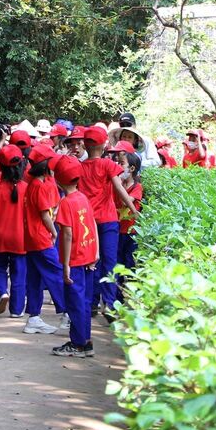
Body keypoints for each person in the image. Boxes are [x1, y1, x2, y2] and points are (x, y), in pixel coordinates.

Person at [80, 126, 137, 319]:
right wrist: (133, 208)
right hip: (108, 221)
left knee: (91, 263)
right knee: (110, 263)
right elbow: (119, 188)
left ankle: (92, 303)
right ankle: (110, 305)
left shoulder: (79, 167)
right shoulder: (107, 165)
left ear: (85, 144)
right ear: (104, 144)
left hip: (87, 223)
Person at [50, 154, 98, 358]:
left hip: (76, 260)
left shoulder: (66, 202)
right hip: (88, 256)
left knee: (75, 302)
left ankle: (78, 344)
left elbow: (67, 234)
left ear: (58, 179)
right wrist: (96, 251)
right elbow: (92, 224)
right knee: (85, 301)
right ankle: (86, 341)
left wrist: (67, 264)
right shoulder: (83, 198)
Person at [22, 143, 68, 335]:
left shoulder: (37, 183)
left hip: (31, 238)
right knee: (56, 273)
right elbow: (45, 215)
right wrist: (55, 233)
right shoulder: (38, 186)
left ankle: (33, 317)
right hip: (41, 238)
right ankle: (67, 312)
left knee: (35, 277)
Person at [0, 145, 28, 317]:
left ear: (0, 166)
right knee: (19, 274)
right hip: (21, 238)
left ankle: (2, 291)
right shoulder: (27, 188)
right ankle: (16, 310)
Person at [108, 143, 143, 271]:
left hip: (130, 232)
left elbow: (126, 201)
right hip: (117, 228)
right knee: (118, 259)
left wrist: (118, 185)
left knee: (129, 260)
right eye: (117, 163)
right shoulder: (116, 185)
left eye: (122, 164)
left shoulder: (137, 187)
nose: (118, 166)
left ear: (132, 168)